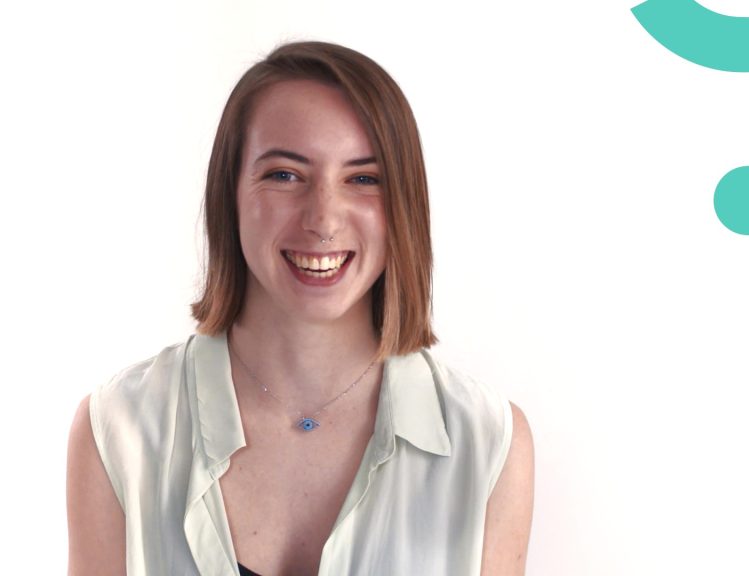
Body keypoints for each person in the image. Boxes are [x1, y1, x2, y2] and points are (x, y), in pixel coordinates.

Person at [66, 41, 534, 575]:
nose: (323, 220)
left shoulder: (487, 443)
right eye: (285, 175)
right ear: (229, 193)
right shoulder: (118, 430)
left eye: (364, 179)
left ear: (403, 205)